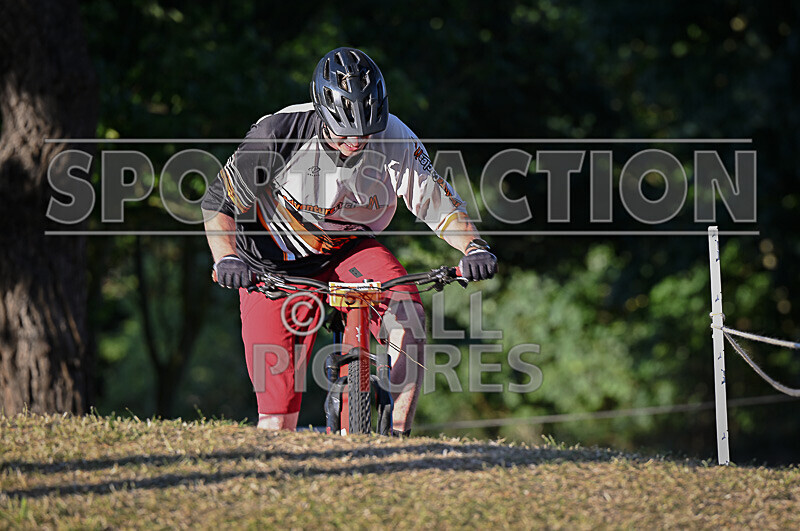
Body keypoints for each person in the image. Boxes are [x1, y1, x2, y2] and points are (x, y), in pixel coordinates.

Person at [201, 47, 497, 433]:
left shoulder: (394, 136)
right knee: (276, 421)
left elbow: (439, 204)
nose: (356, 142)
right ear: (322, 115)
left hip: (347, 248)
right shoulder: (279, 132)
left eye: (366, 133)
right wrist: (226, 259)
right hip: (269, 262)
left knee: (407, 313)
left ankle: (397, 438)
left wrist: (474, 247)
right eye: (344, 133)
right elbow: (218, 202)